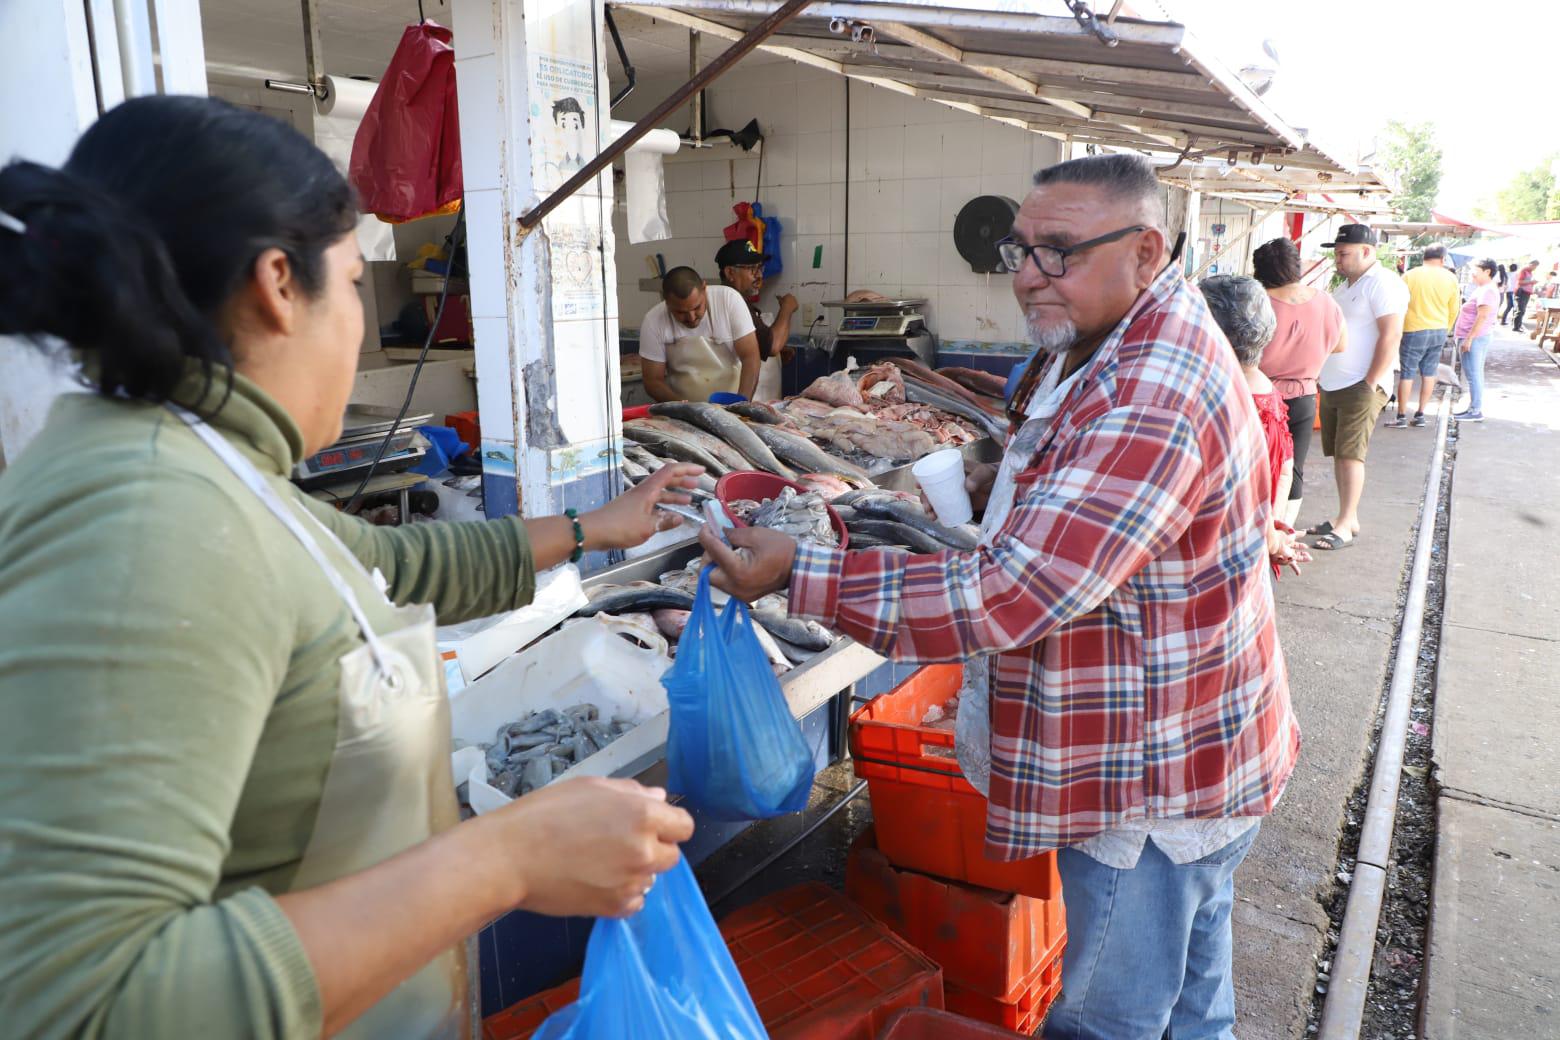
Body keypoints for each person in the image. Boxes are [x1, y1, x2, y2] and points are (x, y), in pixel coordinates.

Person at [0, 96, 702, 1039]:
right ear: (278, 285)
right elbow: (83, 1003)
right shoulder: (151, 520)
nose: (358, 315)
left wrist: (589, 530)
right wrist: (504, 859)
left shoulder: (215, 476)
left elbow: (388, 563)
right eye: (355, 280)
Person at [702, 153, 1299, 1040]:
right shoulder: (1112, 334)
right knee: (1195, 1007)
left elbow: (1010, 595)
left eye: (1059, 251)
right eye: (1020, 251)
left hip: (1150, 785)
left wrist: (802, 572)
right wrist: (1004, 483)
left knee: (1106, 1023)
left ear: (1145, 251)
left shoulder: (1156, 389)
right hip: (1197, 748)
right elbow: (1085, 495)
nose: (1027, 275)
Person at [1199, 275, 1310, 577]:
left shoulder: (1223, 402)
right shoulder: (1267, 389)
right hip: (1257, 549)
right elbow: (1285, 468)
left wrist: (1272, 538)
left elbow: (1244, 493)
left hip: (1223, 555)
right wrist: (1275, 531)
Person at [1309, 224, 1408, 551]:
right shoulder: (1347, 285)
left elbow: (1391, 334)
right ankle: (1346, 518)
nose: (1337, 259)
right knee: (1340, 453)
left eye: (1343, 253)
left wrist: (1370, 381)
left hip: (1360, 384)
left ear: (1367, 251)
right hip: (1336, 382)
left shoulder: (1382, 282)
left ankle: (1346, 524)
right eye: (1337, 253)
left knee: (1351, 455)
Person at [1252, 237, 1347, 528]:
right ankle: (1284, 531)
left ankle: (1253, 529)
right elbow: (1341, 345)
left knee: (1254, 466)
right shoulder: (1326, 302)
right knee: (1292, 468)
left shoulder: (1258, 302)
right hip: (1304, 397)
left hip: (1260, 396)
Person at [637, 265, 761, 402]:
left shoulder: (729, 300)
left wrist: (742, 403)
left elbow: (750, 356)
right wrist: (685, 408)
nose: (691, 317)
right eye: (681, 312)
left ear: (704, 288)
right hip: (682, 406)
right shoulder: (653, 321)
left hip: (733, 401)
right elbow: (653, 381)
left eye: (697, 307)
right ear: (666, 301)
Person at [716, 238, 796, 401]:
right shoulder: (735, 303)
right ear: (730, 273)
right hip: (730, 397)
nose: (759, 275)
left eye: (760, 268)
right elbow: (773, 346)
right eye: (752, 269)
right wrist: (787, 308)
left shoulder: (727, 299)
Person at [1390, 244, 1460, 428]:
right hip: (1439, 330)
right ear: (1443, 259)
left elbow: (1397, 304)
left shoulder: (1409, 276)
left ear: (1424, 257)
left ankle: (1401, 417)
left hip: (1413, 329)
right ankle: (1420, 415)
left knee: (1407, 373)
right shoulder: (1450, 278)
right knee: (1429, 373)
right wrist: (1446, 329)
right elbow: (1454, 308)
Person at [1453, 258, 1501, 422]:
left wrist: (1469, 339)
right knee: (1475, 374)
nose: (1472, 273)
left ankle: (1475, 410)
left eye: (1475, 270)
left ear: (1487, 271)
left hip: (1476, 338)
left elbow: (1482, 317)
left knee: (1474, 375)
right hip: (1476, 337)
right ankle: (1473, 408)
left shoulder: (1487, 291)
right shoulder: (1483, 289)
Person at [1512, 258, 1539, 332]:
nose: (1535, 268)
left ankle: (1518, 325)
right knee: (1520, 310)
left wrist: (1532, 283)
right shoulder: (1524, 270)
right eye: (1534, 266)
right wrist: (1531, 282)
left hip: (1526, 292)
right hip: (1522, 292)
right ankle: (1516, 327)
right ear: (1531, 264)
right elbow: (1520, 282)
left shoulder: (1530, 272)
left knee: (1522, 310)